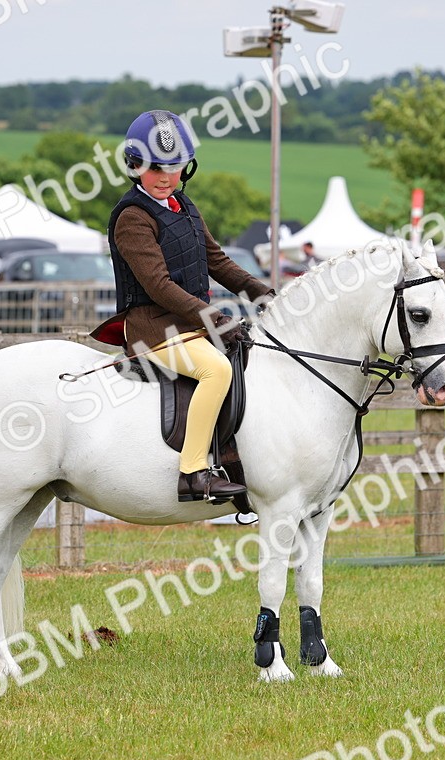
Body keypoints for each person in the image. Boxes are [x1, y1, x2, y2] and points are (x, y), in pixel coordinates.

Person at [95, 109, 274, 503]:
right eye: (155, 168)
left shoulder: (185, 207)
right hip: (152, 327)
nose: (165, 178)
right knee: (215, 369)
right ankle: (194, 473)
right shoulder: (132, 217)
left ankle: (238, 458)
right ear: (134, 166)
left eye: (174, 168)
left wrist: (264, 294)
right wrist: (215, 319)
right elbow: (158, 286)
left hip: (188, 325)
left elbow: (217, 261)